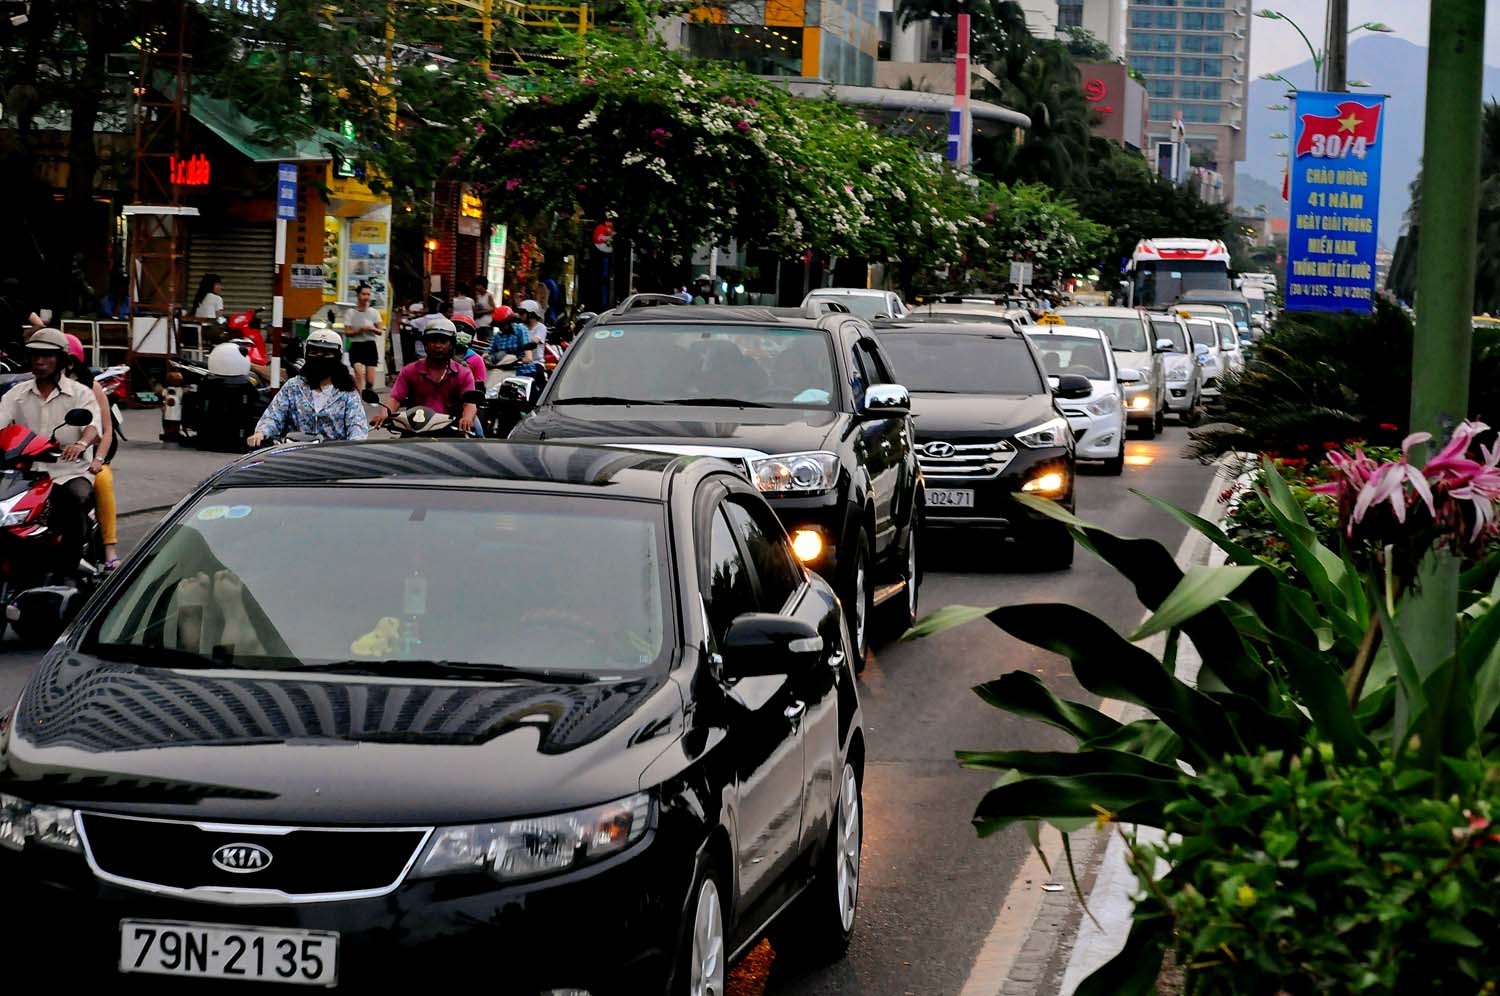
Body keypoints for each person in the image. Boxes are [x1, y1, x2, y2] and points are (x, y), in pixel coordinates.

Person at [0, 329, 101, 572]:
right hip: (24, 473)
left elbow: (93, 428)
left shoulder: (80, 393)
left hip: (67, 472)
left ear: (61, 360)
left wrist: (81, 444)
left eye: (47, 356)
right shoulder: (17, 394)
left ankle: (69, 567)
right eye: (35, 355)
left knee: (75, 499)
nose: (39, 361)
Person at [247, 328, 370, 447]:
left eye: (327, 354)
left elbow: (357, 426)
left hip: (332, 456)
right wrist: (261, 433)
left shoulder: (347, 392)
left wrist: (355, 446)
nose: (320, 358)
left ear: (337, 357)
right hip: (294, 452)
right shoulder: (293, 386)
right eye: (314, 353)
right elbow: (274, 415)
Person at [62, 333, 122, 569]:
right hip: (54, 458)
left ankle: (110, 549)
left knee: (103, 481)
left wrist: (98, 459)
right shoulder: (42, 387)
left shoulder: (91, 387)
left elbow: (106, 431)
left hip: (88, 458)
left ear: (71, 363)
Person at [371, 318, 479, 433]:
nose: (437, 346)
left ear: (452, 345)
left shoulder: (463, 373)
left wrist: (467, 418)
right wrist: (384, 414)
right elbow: (395, 398)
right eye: (433, 341)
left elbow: (469, 403)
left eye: (443, 341)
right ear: (425, 344)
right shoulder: (410, 371)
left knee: (477, 433)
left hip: (451, 431)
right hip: (414, 429)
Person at [344, 282, 385, 395]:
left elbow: (380, 331)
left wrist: (372, 329)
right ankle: (358, 396)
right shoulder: (350, 313)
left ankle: (368, 392)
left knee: (370, 380)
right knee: (358, 372)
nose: (366, 297)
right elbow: (347, 332)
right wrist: (359, 330)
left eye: (368, 294)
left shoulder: (374, 312)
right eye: (363, 294)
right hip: (356, 345)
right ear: (358, 295)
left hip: (370, 345)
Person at [518, 299, 548, 365]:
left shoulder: (541, 327)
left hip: (536, 363)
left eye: (522, 313)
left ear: (531, 314)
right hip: (522, 362)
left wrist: (525, 345)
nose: (520, 316)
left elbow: (535, 341)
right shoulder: (520, 327)